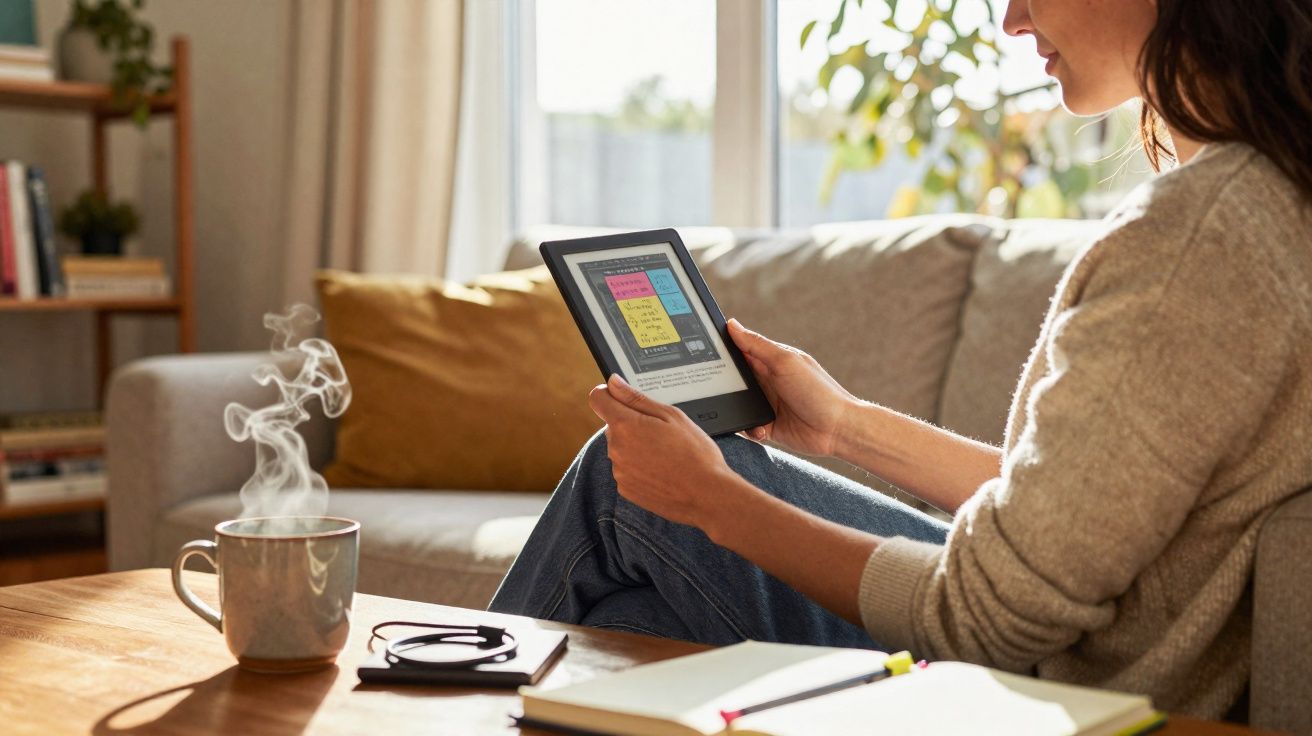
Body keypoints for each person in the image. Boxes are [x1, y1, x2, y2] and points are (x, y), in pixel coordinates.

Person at [490, 0, 1312, 721]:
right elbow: (1073, 517)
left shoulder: (1201, 240)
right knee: (633, 635)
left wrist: (709, 498)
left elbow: (985, 616)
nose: (1013, 20)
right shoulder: (1263, 200)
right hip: (1072, 647)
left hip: (1056, 691)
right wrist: (844, 426)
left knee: (620, 491)